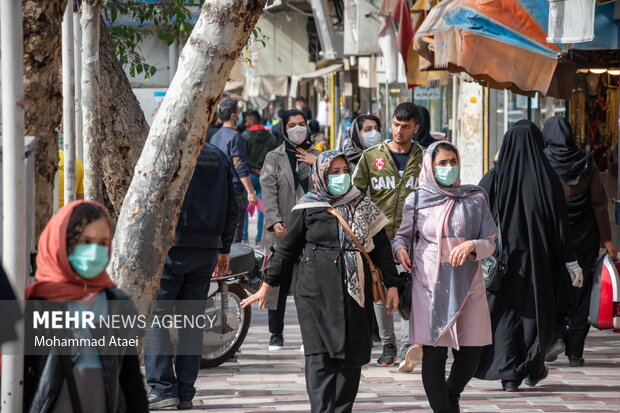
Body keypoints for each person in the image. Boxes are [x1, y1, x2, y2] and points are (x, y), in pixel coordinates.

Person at [242, 151, 400, 413]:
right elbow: (287, 250)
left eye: (344, 170)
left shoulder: (363, 205)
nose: (340, 176)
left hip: (355, 294)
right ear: (321, 175)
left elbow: (381, 249)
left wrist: (392, 283)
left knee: (350, 361)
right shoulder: (307, 207)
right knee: (319, 358)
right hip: (315, 295)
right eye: (333, 171)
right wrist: (267, 284)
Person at [475, 123, 583, 392]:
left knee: (504, 317)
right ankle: (532, 366)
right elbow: (561, 225)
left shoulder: (495, 177)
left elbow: (474, 214)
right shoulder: (548, 180)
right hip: (540, 265)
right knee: (536, 318)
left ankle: (509, 374)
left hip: (503, 263)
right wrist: (570, 261)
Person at [392, 141, 498, 413]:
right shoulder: (416, 199)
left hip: (468, 285)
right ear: (430, 166)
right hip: (428, 284)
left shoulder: (475, 198)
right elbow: (401, 237)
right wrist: (400, 250)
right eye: (442, 163)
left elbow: (491, 241)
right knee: (434, 354)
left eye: (453, 161)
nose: (449, 167)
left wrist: (472, 245)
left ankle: (451, 394)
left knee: (472, 352)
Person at [24, 201, 148, 413]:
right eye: (85, 241)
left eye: (102, 243)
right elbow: (19, 380)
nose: (94, 252)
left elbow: (130, 379)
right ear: (63, 244)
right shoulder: (38, 305)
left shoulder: (117, 304)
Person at [144, 142, 238, 410]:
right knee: (191, 322)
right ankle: (185, 391)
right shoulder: (217, 155)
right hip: (206, 248)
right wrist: (225, 248)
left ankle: (162, 388)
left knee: (157, 318)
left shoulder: (166, 150)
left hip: (170, 247)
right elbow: (234, 204)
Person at [542, 116, 618, 367]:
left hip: (554, 236)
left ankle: (557, 336)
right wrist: (607, 240)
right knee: (581, 289)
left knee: (553, 287)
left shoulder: (544, 160)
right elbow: (598, 202)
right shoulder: (585, 161)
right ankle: (575, 351)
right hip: (584, 237)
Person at [352, 102, 423, 369]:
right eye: (395, 124)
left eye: (405, 126)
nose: (399, 131)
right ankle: (388, 344)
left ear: (416, 128)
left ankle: (408, 345)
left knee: (410, 290)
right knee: (381, 290)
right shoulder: (371, 156)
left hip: (415, 238)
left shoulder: (425, 157)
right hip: (379, 236)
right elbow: (355, 193)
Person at [260, 109, 320, 351]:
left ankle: (310, 335)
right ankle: (276, 333)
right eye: (292, 124)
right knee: (277, 285)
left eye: (302, 124)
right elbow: (268, 190)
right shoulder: (274, 157)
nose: (298, 128)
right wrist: (273, 220)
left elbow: (333, 185)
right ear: (284, 128)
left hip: (312, 229)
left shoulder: (321, 156)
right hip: (282, 230)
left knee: (310, 286)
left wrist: (318, 164)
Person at [210, 97, 258, 242]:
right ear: (233, 116)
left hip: (218, 189)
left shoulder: (215, 137)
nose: (240, 116)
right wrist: (250, 191)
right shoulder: (235, 137)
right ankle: (233, 264)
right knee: (234, 233)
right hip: (235, 189)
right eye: (238, 112)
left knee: (221, 232)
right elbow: (239, 165)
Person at [241, 110, 278, 245]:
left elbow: (242, 157)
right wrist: (262, 169)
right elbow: (274, 156)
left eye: (247, 120)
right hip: (266, 174)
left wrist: (253, 169)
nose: (245, 123)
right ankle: (259, 239)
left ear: (252, 120)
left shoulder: (245, 136)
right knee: (263, 206)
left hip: (249, 175)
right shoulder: (271, 137)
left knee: (245, 205)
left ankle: (244, 237)